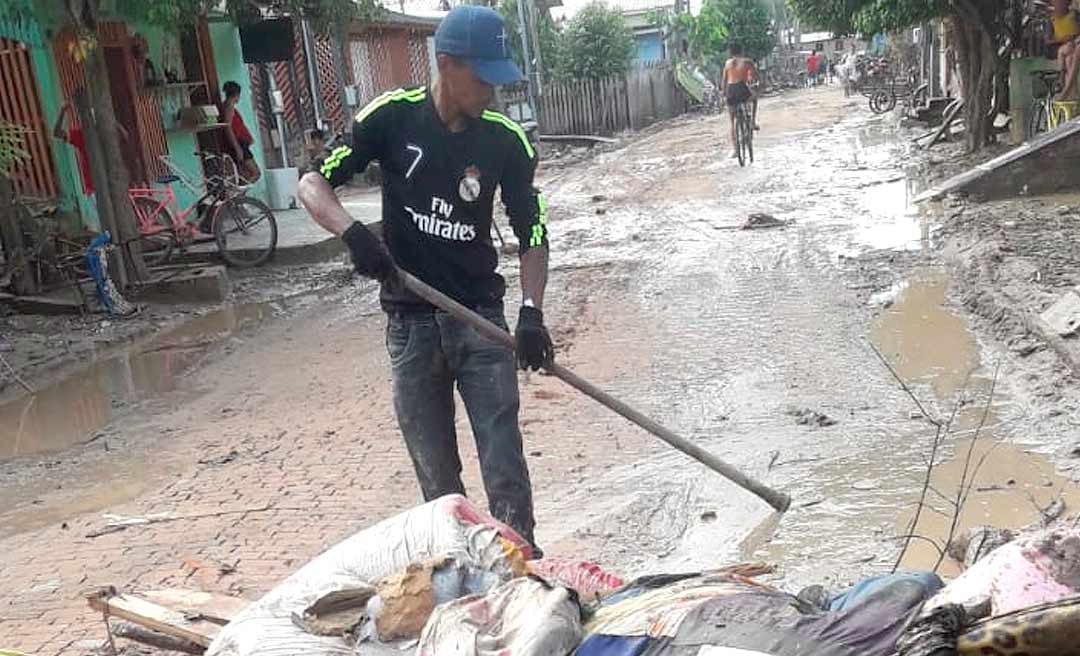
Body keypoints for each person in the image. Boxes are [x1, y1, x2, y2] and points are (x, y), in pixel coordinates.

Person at [297, 5, 553, 553]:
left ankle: (527, 573)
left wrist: (531, 310)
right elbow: (312, 184)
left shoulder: (507, 141)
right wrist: (352, 234)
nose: (492, 90)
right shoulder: (391, 118)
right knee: (438, 489)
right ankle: (462, 585)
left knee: (504, 469)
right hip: (410, 326)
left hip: (482, 324)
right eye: (482, 77)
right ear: (446, 64)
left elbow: (534, 233)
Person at [52, 101, 128, 199]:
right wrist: (62, 112)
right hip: (94, 189)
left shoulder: (107, 134)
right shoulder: (82, 134)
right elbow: (57, 133)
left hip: (111, 185)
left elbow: (125, 137)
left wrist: (112, 121)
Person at [722, 42, 760, 158]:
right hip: (742, 89)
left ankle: (735, 150)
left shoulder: (727, 63)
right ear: (741, 51)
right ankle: (752, 122)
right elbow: (756, 77)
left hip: (730, 91)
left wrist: (724, 95)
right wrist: (758, 85)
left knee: (732, 122)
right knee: (754, 98)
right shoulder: (747, 62)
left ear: (730, 52)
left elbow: (724, 81)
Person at [219, 81, 261, 184]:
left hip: (240, 143)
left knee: (244, 174)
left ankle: (239, 195)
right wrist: (237, 148)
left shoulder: (227, 106)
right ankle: (239, 196)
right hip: (239, 144)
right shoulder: (229, 107)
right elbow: (227, 127)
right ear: (237, 94)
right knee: (255, 173)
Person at [1051, 0, 1080, 100]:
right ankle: (1072, 95)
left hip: (1077, 44)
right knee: (1068, 58)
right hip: (1068, 46)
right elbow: (1050, 40)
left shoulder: (1074, 14)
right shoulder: (1053, 18)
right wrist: (1066, 40)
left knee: (1076, 53)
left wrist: (1073, 38)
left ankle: (1066, 91)